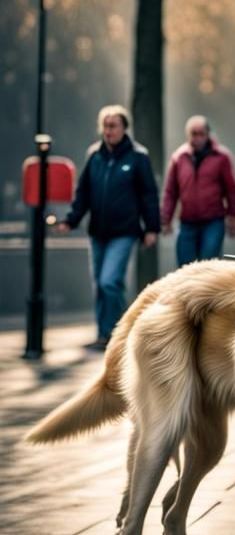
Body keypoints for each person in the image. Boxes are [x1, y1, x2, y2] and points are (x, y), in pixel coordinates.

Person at [58, 105, 160, 351]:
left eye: (113, 126)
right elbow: (83, 193)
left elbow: (149, 195)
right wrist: (71, 220)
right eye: (105, 126)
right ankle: (104, 334)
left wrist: (151, 228)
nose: (108, 131)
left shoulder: (138, 156)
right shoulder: (95, 155)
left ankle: (118, 334)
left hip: (124, 232)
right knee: (99, 285)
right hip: (98, 232)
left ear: (124, 128)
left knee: (110, 282)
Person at [161, 116, 235, 267]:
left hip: (213, 222)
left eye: (201, 134)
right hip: (187, 223)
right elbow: (171, 192)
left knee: (208, 265)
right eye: (193, 134)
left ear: (208, 134)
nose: (197, 138)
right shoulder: (179, 158)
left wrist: (233, 217)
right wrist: (166, 219)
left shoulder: (221, 157)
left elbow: (231, 190)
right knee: (185, 267)